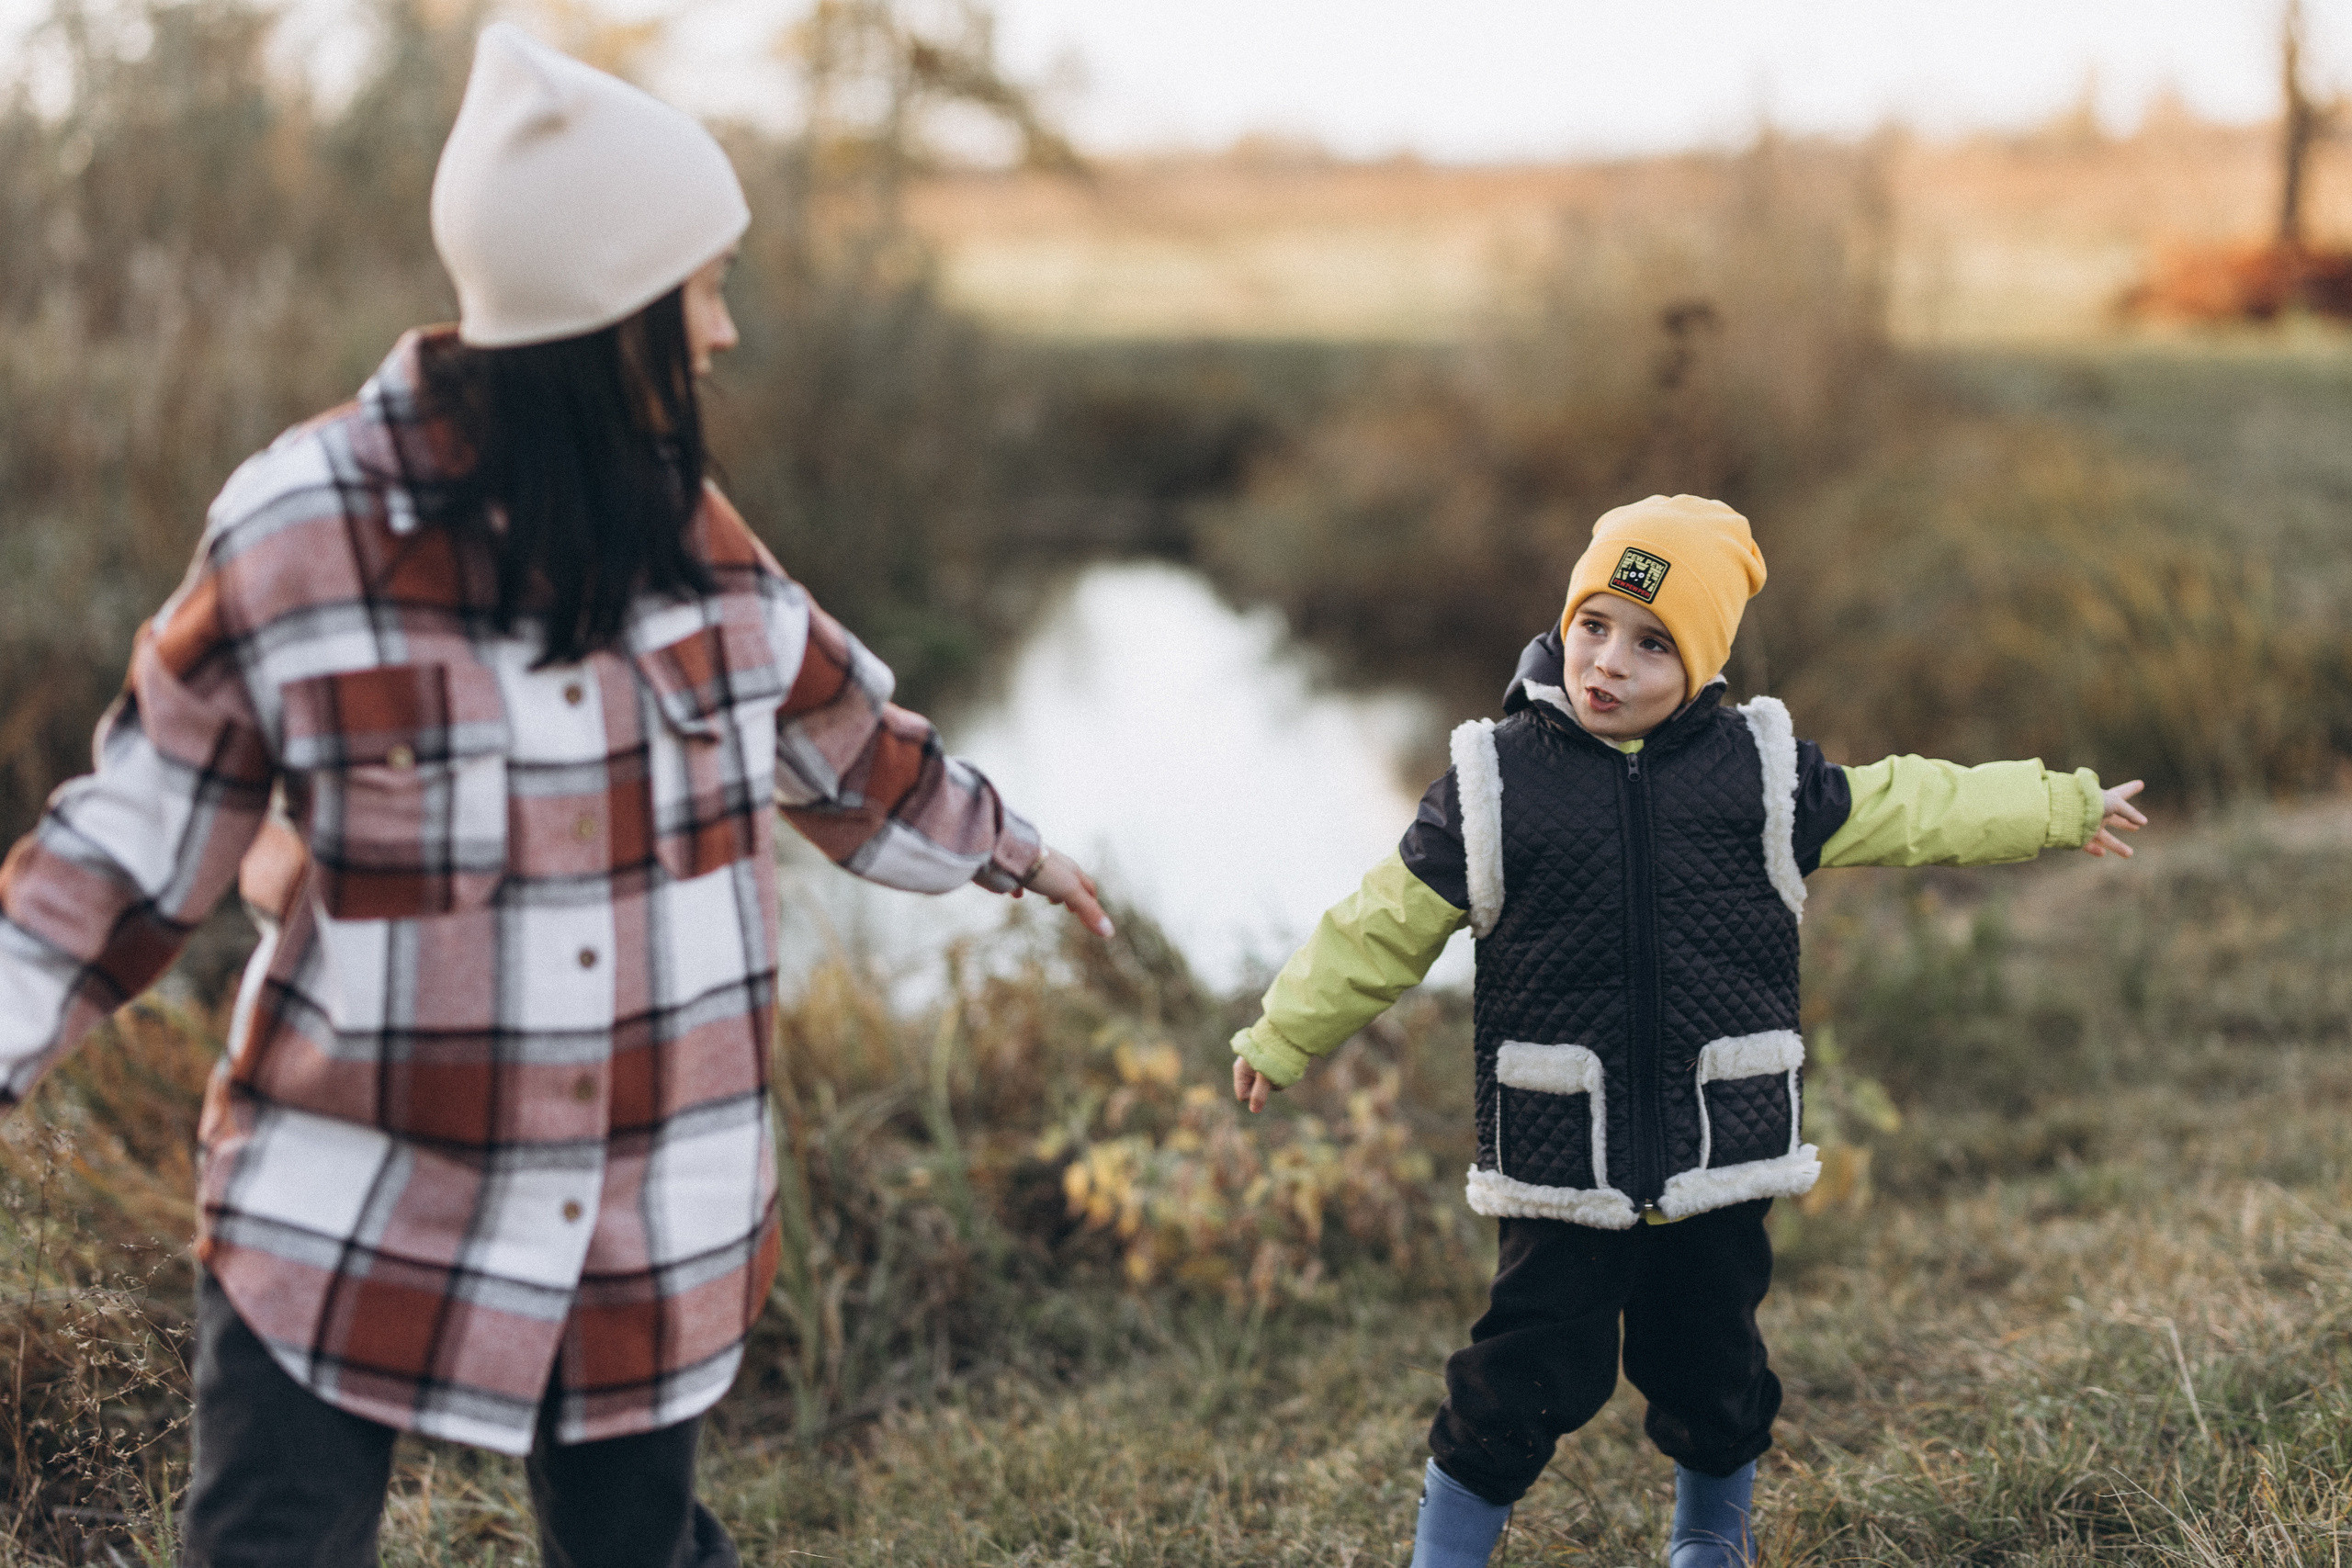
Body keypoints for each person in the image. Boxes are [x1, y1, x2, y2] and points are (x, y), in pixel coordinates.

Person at [0, 26, 1111, 1568]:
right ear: (613, 319)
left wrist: (1014, 850)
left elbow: (844, 736)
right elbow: (128, 843)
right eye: (702, 293)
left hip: (647, 1208)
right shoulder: (297, 537)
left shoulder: (695, 543)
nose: (721, 335)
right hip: (347, 1197)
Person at [1227, 495, 2146, 1568]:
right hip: (1562, 1153)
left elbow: (1912, 804)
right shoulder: (1493, 784)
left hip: (1719, 1144)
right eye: (1593, 625)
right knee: (1522, 1370)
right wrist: (1283, 1033)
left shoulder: (1760, 775)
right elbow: (1380, 924)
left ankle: (1710, 1537)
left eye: (1652, 642)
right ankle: (1447, 1551)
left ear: (1703, 663)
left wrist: (2057, 805)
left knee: (1713, 1362)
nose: (1608, 662)